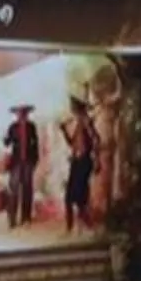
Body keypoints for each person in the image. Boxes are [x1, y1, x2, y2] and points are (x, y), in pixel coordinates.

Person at [62, 99, 99, 231]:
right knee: (72, 196)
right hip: (77, 161)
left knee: (78, 196)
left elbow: (95, 139)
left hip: (83, 161)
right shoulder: (79, 123)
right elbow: (73, 143)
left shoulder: (86, 122)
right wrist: (64, 131)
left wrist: (96, 158)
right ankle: (72, 226)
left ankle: (82, 224)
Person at [3, 104, 41, 229]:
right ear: (17, 114)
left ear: (27, 114)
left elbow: (35, 143)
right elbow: (7, 143)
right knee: (13, 189)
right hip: (16, 162)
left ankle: (26, 217)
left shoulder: (31, 126)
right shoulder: (12, 127)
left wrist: (35, 159)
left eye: (24, 112)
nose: (21, 115)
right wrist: (6, 139)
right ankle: (12, 219)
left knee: (27, 189)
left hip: (28, 161)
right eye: (19, 112)